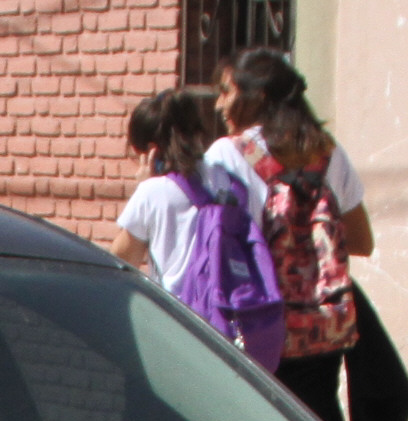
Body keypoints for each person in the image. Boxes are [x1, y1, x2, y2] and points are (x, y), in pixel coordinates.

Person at [210, 48, 408, 421]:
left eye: (226, 91)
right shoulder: (328, 153)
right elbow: (361, 241)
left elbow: (220, 249)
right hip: (323, 327)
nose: (219, 104)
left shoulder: (227, 156)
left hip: (258, 325)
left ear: (257, 95)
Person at [108, 87, 279, 365]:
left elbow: (122, 259)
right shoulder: (232, 183)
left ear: (151, 151)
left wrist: (142, 186)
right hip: (231, 327)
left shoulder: (152, 192)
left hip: (178, 331)